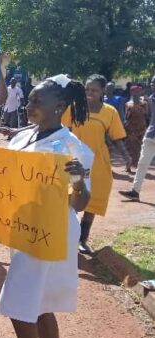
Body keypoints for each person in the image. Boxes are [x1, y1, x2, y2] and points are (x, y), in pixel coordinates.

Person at [0, 74, 93, 338]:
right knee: (37, 304)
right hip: (24, 227)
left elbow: (79, 203)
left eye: (38, 100)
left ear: (60, 105)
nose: (29, 104)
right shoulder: (22, 137)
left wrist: (77, 179)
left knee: (17, 301)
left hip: (50, 231)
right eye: (29, 99)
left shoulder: (70, 147)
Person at [62, 74, 131, 254]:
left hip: (98, 164)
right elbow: (62, 131)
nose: (90, 93)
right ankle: (68, 237)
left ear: (102, 91)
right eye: (87, 89)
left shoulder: (110, 112)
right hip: (75, 162)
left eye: (94, 90)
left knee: (92, 200)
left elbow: (117, 137)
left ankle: (82, 240)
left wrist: (126, 155)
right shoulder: (75, 108)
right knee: (72, 197)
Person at [120, 75, 155, 202]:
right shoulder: (150, 99)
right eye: (151, 82)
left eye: (154, 82)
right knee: (142, 164)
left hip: (148, 133)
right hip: (150, 135)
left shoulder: (148, 100)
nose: (152, 84)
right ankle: (135, 191)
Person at [122, 85, 149, 174]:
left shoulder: (144, 104)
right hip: (130, 130)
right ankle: (128, 167)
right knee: (129, 148)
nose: (136, 93)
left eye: (138, 92)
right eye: (135, 92)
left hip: (141, 129)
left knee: (141, 148)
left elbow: (147, 116)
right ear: (131, 92)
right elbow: (126, 117)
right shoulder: (128, 104)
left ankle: (139, 168)